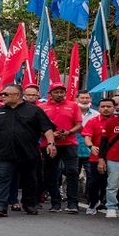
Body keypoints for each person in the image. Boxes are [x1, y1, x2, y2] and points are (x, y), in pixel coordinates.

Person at [0, 84, 56, 217]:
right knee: (2, 179)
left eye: (6, 94)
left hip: (28, 153)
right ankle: (0, 206)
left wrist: (51, 143)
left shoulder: (34, 110)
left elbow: (47, 128)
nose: (2, 96)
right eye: (2, 94)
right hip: (4, 153)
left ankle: (30, 204)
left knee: (30, 180)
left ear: (17, 95)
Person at [40, 83, 82, 213]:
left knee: (72, 171)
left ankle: (73, 203)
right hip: (49, 145)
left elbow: (79, 125)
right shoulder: (41, 107)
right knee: (51, 173)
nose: (59, 94)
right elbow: (37, 127)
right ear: (50, 93)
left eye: (61, 92)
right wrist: (51, 135)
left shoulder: (73, 105)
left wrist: (69, 132)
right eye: (56, 92)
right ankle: (55, 202)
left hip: (70, 144)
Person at [82, 98, 115, 215]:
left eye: (109, 106)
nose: (106, 109)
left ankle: (111, 204)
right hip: (96, 157)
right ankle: (93, 203)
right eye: (103, 106)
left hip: (116, 158)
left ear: (115, 107)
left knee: (112, 183)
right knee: (95, 182)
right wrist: (91, 146)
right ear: (99, 108)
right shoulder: (93, 121)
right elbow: (87, 137)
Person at [97, 101, 119, 218]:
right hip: (115, 158)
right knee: (113, 185)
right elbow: (103, 142)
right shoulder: (111, 122)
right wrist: (101, 158)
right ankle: (111, 207)